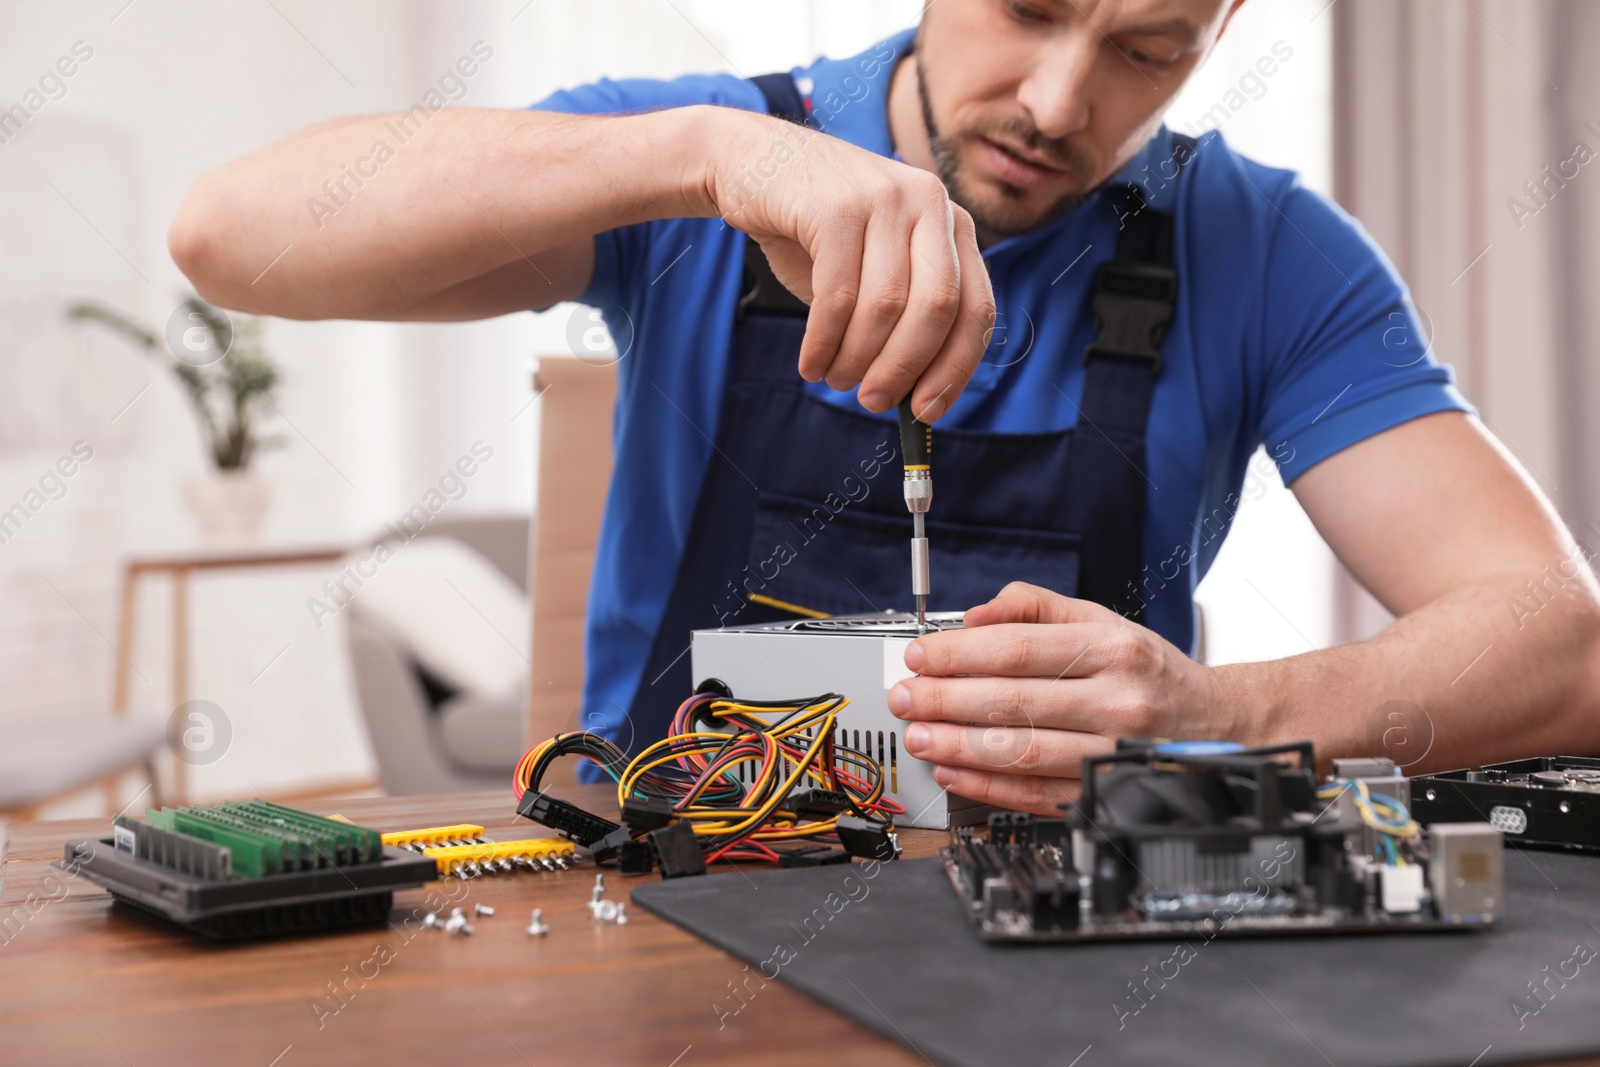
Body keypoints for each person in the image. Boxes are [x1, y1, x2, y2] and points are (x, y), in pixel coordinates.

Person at [169, 0, 1600, 814]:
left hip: (1082, 937)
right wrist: (710, 160)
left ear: (1222, 27)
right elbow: (232, 235)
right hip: (674, 903)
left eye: (1147, 45)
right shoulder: (700, 156)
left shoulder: (1269, 249)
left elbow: (1561, 646)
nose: (1055, 98)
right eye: (1031, 6)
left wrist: (1221, 712)